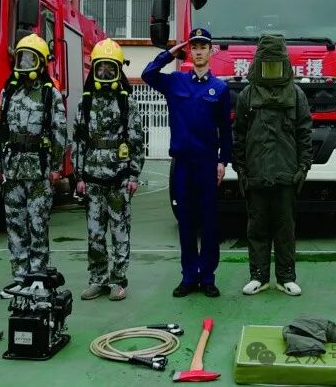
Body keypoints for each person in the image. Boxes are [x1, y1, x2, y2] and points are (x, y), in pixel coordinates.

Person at [142, 28, 232, 298]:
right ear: (189, 51)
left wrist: (223, 161)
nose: (199, 51)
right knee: (186, 223)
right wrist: (170, 53)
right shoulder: (175, 82)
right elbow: (147, 74)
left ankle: (208, 277)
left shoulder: (220, 89)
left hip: (206, 165)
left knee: (209, 224)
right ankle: (189, 276)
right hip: (182, 165)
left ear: (211, 51)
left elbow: (225, 130)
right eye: (194, 47)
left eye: (203, 47)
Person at [233, 34, 312, 297]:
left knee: (285, 228)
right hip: (256, 173)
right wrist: (240, 168)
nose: (271, 71)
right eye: (267, 66)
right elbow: (239, 134)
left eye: (275, 65)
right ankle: (259, 276)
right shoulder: (247, 95)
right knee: (257, 227)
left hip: (286, 174)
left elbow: (304, 133)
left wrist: (303, 167)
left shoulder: (296, 95)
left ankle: (286, 277)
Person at [0, 33, 67, 298]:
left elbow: (59, 132)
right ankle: (19, 277)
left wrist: (56, 167)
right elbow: (0, 131)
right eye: (21, 58)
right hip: (13, 170)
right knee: (15, 225)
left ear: (41, 62)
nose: (24, 63)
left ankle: (37, 275)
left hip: (39, 171)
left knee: (38, 224)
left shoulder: (49, 94)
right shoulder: (8, 92)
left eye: (30, 58)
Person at [73, 39, 144, 301]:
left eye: (110, 68)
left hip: (119, 178)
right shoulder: (86, 103)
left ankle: (118, 280)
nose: (104, 73)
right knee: (95, 233)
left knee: (119, 231)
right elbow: (78, 141)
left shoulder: (127, 103)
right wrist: (79, 176)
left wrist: (134, 175)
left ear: (118, 70)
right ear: (93, 69)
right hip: (92, 179)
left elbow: (137, 140)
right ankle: (98, 279)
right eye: (100, 68)